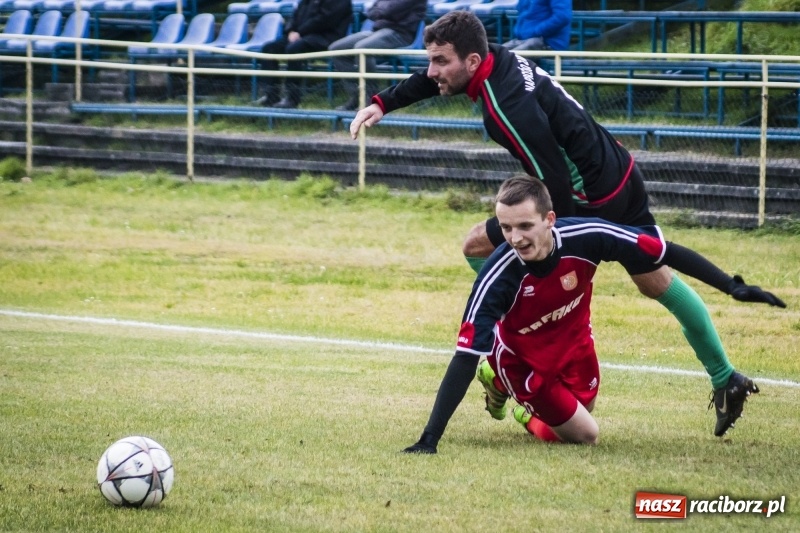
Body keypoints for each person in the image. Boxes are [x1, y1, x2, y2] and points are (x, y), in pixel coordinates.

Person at [347, 11, 784, 450]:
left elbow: (552, 180)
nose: (432, 70)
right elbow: (439, 79)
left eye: (440, 60)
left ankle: (510, 350)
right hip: (620, 169)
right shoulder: (497, 59)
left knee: (481, 247)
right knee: (656, 278)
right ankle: (725, 377)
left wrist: (564, 238)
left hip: (592, 197)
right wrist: (383, 102)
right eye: (431, 60)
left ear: (474, 60)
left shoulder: (505, 110)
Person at [419, 177, 761, 450]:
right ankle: (508, 390)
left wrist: (730, 286)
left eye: (524, 226)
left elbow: (663, 252)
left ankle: (522, 400)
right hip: (522, 360)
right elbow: (463, 357)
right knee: (585, 434)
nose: (515, 239)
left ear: (549, 219)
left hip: (574, 340)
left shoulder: (588, 236)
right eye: (506, 228)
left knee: (586, 408)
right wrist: (429, 439)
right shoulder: (497, 276)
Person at [327, 0, 427, 110]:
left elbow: (391, 9)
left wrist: (380, 10)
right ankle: (357, 96)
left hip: (401, 33)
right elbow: (370, 12)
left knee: (363, 48)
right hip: (378, 31)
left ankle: (372, 99)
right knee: (336, 49)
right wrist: (382, 10)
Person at [255, 0, 353, 109]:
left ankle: (292, 99)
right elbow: (295, 16)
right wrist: (291, 30)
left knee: (294, 48)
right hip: (303, 35)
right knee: (269, 48)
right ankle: (271, 96)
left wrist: (300, 32)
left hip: (326, 37)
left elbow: (325, 21)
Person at [503, 0, 572, 52]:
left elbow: (562, 17)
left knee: (508, 61)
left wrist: (535, 32)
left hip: (547, 42)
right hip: (524, 39)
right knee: (496, 54)